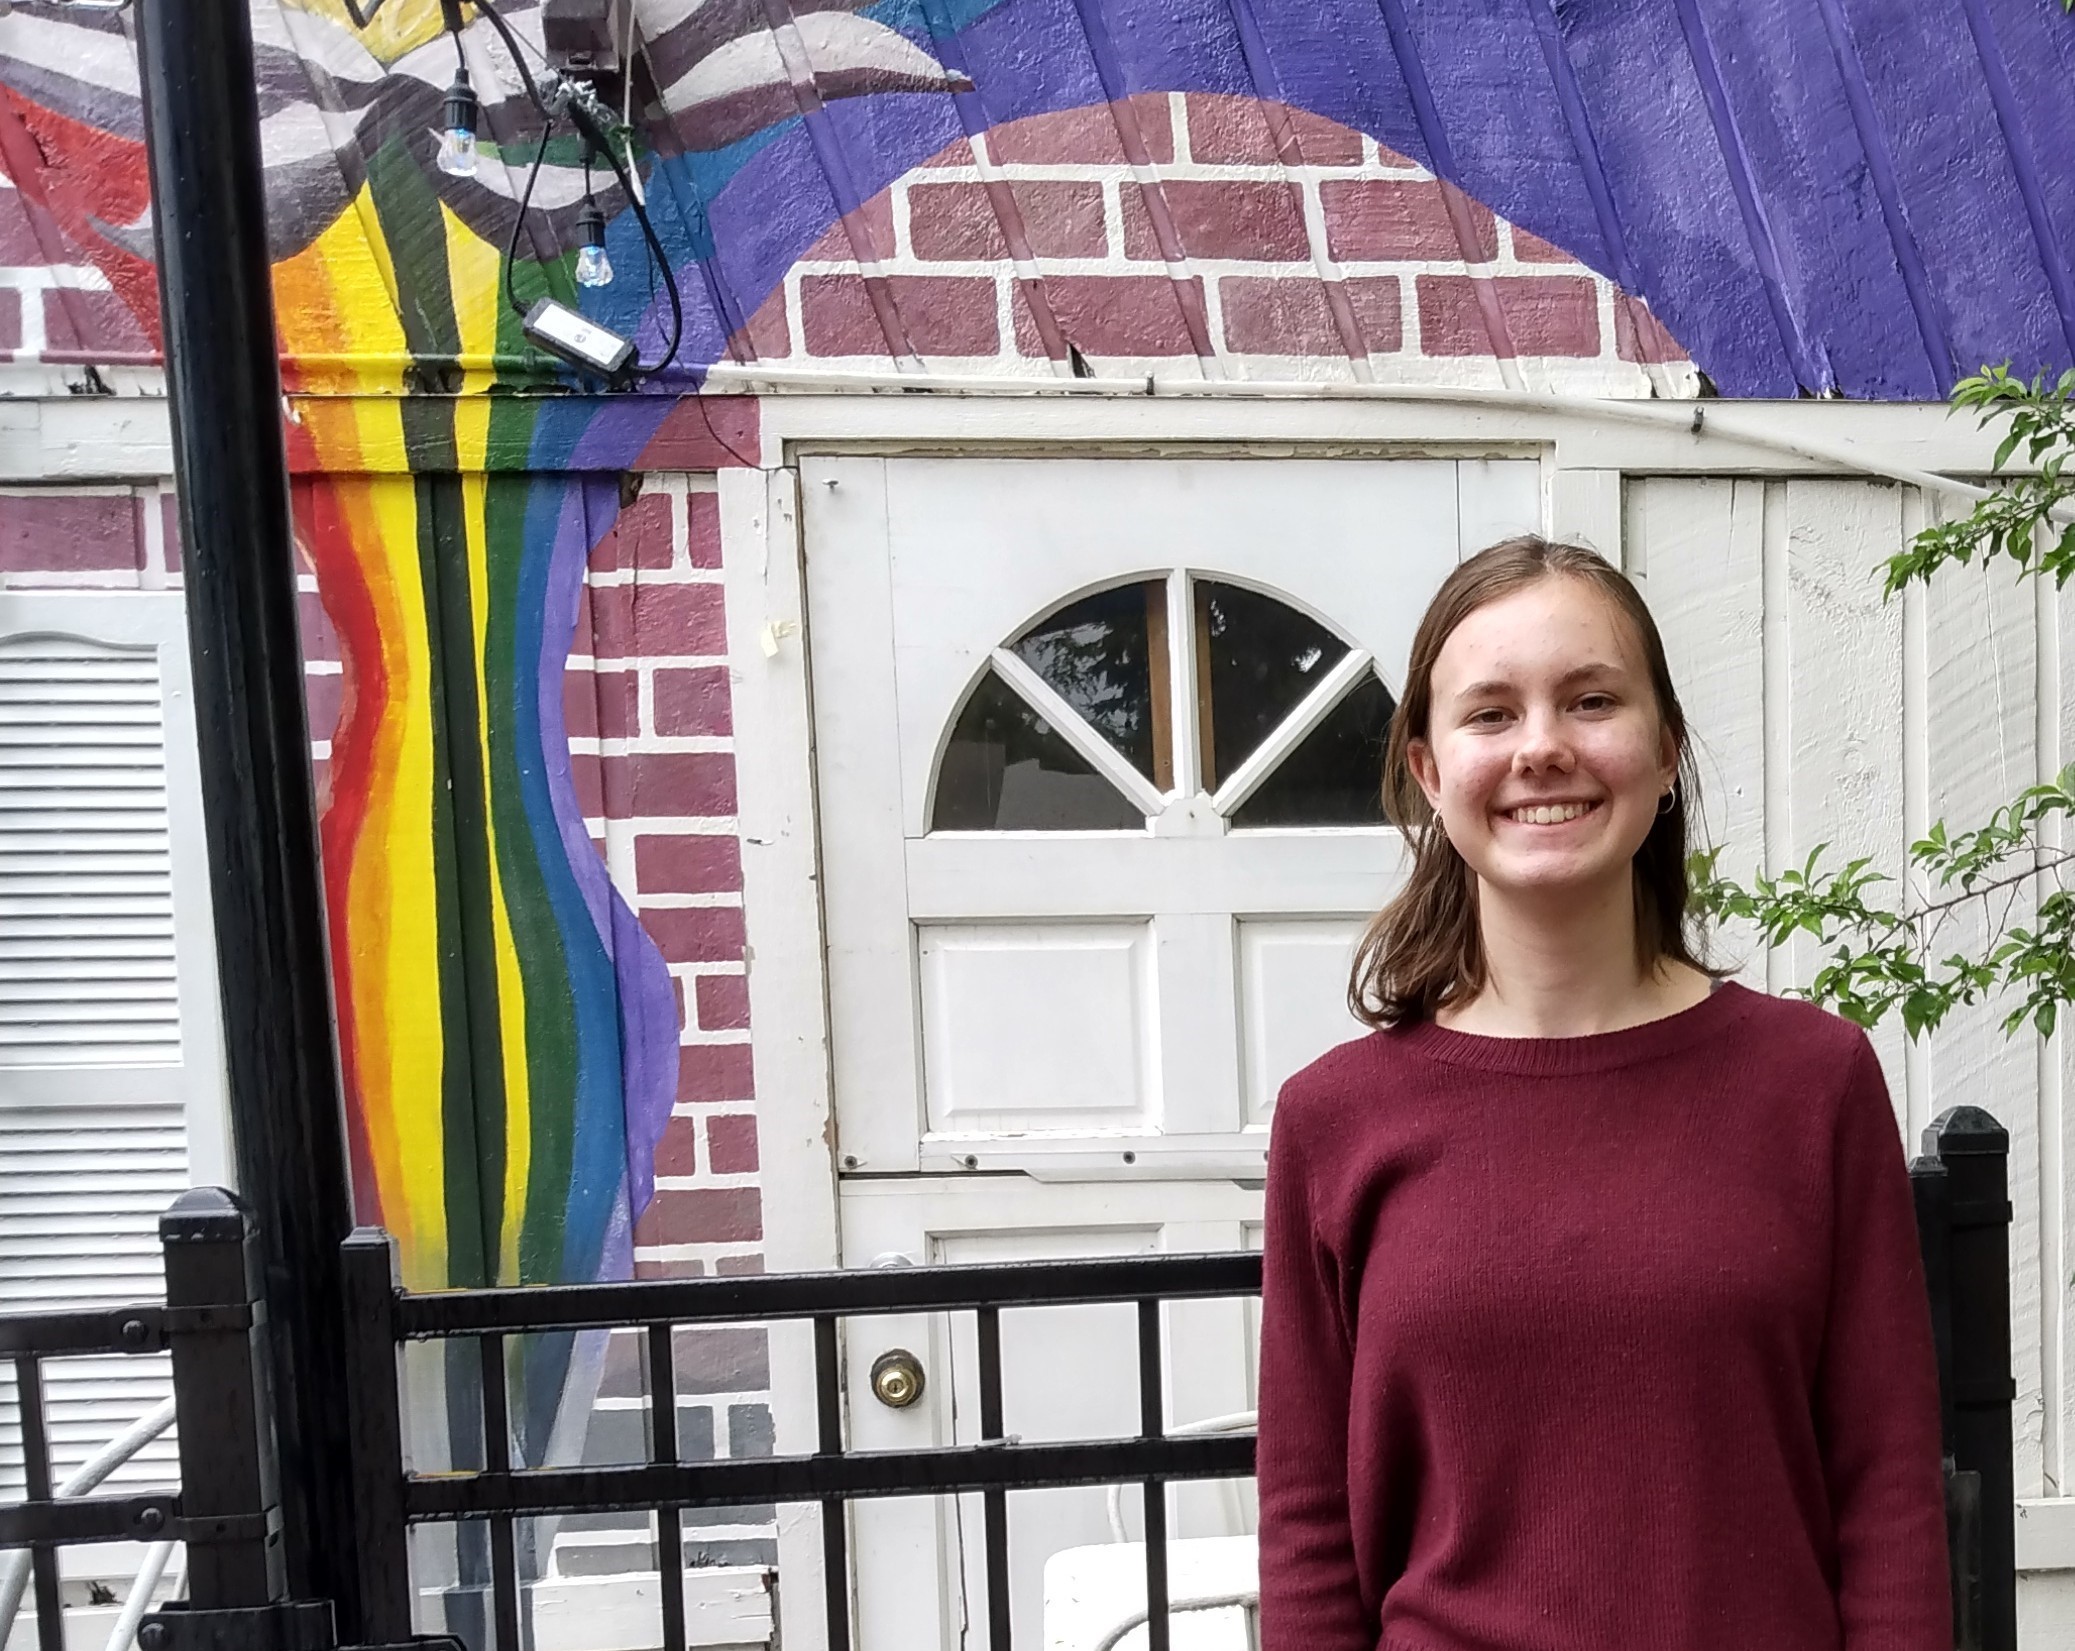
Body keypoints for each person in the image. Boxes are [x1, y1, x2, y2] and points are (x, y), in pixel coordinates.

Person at [1254, 536, 1951, 1650]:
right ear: (1429, 770)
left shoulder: (1811, 1083)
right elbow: (1305, 1523)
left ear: (1664, 749)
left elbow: (1886, 1488)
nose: (1541, 747)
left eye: (1589, 699)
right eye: (1489, 713)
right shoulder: (1334, 1119)